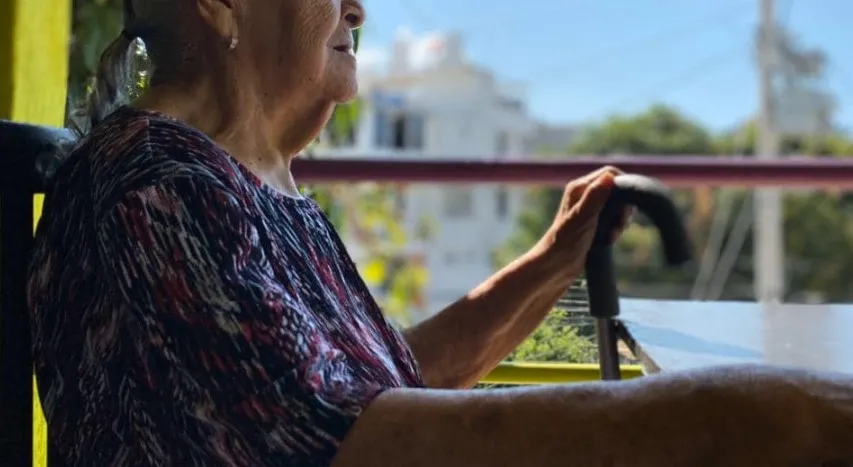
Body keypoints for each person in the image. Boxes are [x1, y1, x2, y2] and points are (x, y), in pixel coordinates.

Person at [27, 0, 853, 465]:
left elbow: (387, 385)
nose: (359, 7)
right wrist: (769, 420)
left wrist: (551, 258)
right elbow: (359, 446)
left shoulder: (248, 188)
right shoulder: (158, 191)